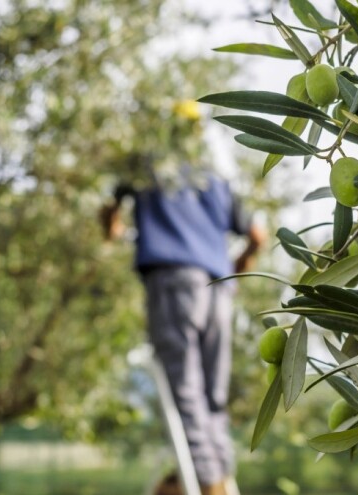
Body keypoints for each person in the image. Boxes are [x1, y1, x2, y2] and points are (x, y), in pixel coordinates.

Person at [101, 101, 265, 495]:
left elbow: (110, 209)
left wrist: (113, 230)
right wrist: (235, 271)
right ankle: (218, 478)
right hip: (218, 290)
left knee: (188, 396)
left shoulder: (147, 166)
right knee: (213, 400)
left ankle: (211, 488)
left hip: (175, 283)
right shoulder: (215, 178)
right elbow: (257, 236)